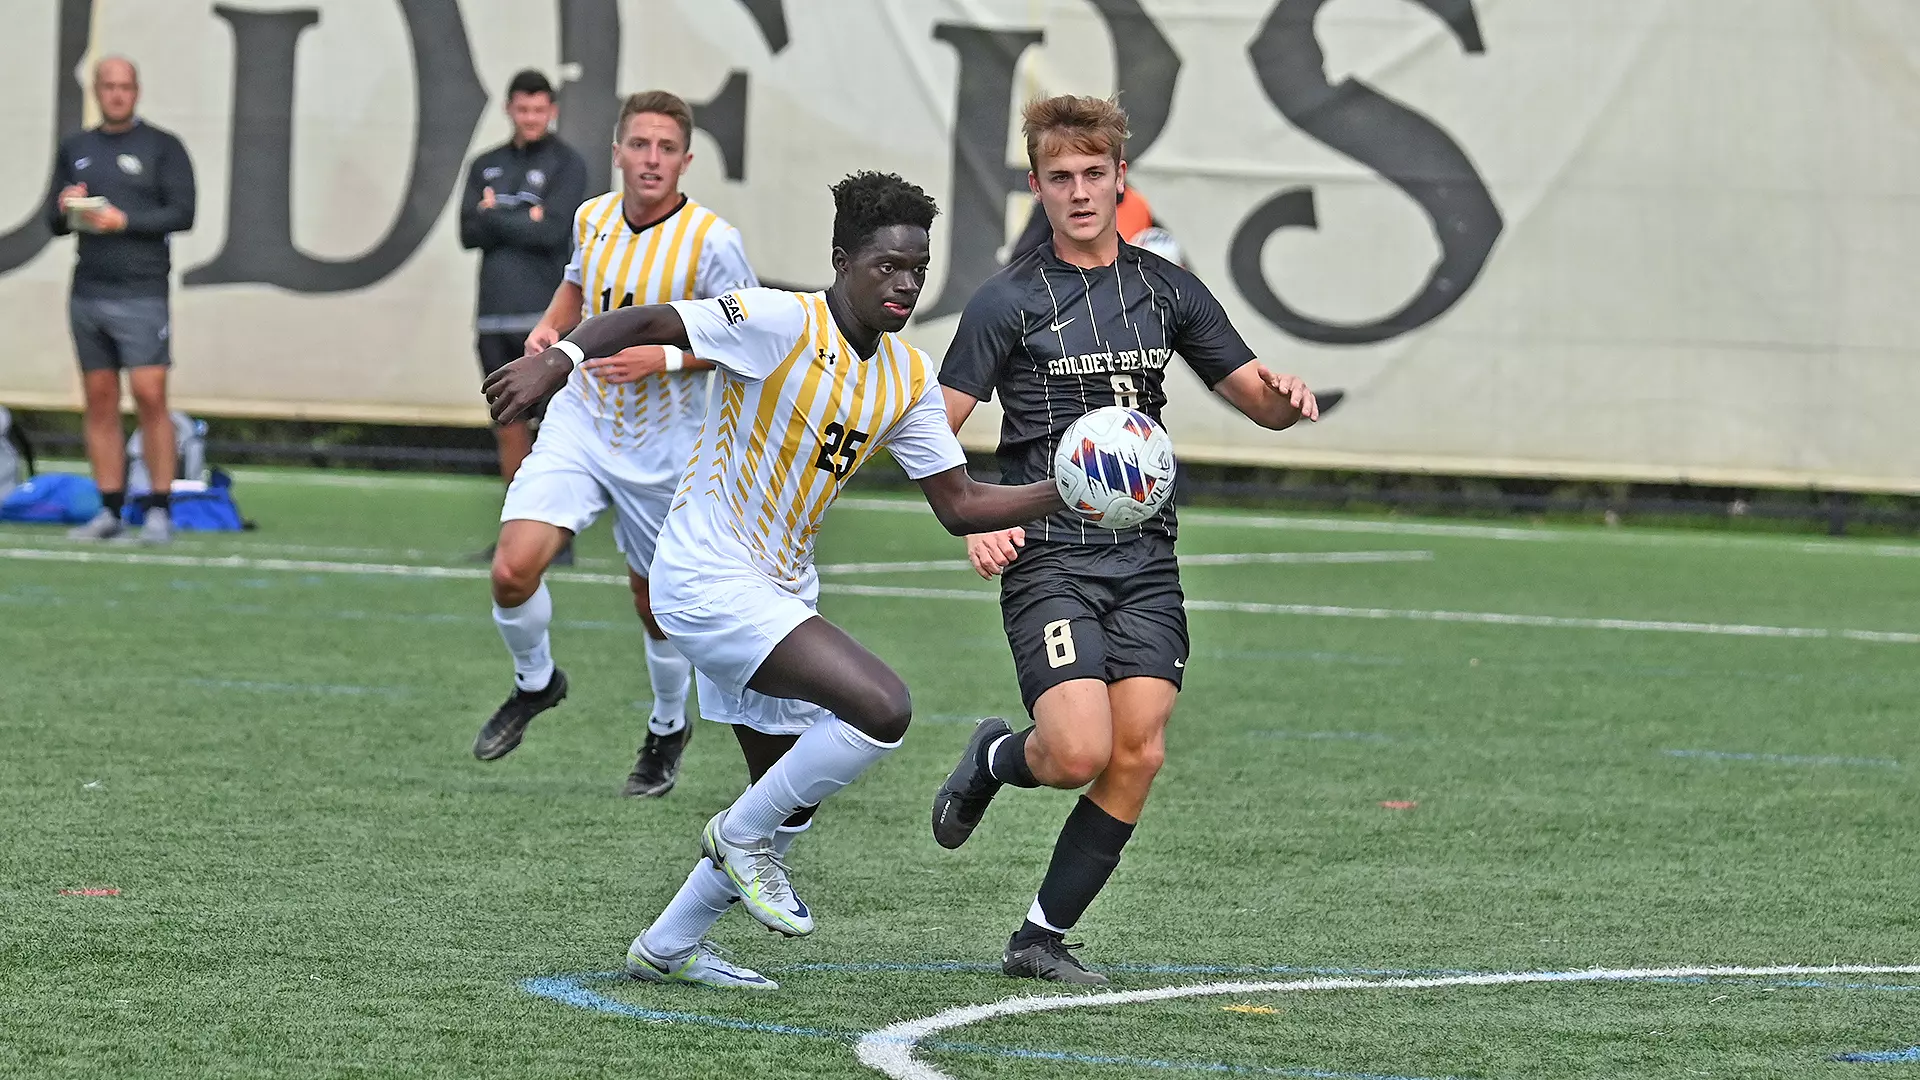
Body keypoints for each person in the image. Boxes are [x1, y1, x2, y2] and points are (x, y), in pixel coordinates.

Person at [483, 171, 1069, 990]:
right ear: (841, 259)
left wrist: (1069, 491)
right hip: (704, 575)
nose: (904, 282)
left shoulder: (906, 376)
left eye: (917, 268)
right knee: (882, 707)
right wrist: (565, 360)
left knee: (788, 793)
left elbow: (962, 502)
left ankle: (668, 944)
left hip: (781, 589)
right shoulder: (777, 321)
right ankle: (737, 835)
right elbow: (648, 317)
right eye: (886, 266)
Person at [930, 95, 1321, 985]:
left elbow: (1251, 393)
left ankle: (1039, 937)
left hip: (1144, 557)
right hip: (1049, 555)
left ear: (1119, 179)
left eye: (1093, 175)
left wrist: (1285, 401)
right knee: (1075, 752)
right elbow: (935, 427)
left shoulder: (1164, 287)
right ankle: (997, 756)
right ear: (1037, 185)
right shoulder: (1007, 301)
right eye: (1059, 178)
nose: (1078, 192)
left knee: (1138, 747)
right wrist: (975, 517)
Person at [472, 90, 756, 801]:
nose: (651, 160)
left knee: (654, 602)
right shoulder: (592, 217)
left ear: (686, 161)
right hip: (584, 421)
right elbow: (575, 290)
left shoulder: (714, 241)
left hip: (668, 443)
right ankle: (536, 683)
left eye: (666, 148)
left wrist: (662, 359)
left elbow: (749, 343)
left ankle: (666, 727)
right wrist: (548, 332)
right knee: (512, 570)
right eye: (640, 145)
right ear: (618, 152)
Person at [44, 56, 195, 545]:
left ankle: (159, 506)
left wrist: (124, 221)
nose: (116, 95)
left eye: (124, 86)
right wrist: (69, 207)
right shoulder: (77, 147)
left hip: (142, 290)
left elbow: (183, 213)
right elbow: (52, 220)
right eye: (108, 86)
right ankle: (109, 508)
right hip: (89, 289)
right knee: (100, 400)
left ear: (137, 91)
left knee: (151, 396)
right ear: (96, 91)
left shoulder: (162, 147)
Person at [458, 69, 587, 551]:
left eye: (539, 109)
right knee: (507, 424)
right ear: (510, 109)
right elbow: (468, 232)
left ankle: (557, 537)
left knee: (554, 427)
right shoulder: (484, 164)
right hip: (493, 314)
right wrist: (522, 216)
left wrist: (497, 215)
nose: (530, 117)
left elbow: (555, 232)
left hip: (545, 319)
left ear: (551, 111)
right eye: (522, 109)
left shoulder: (567, 164)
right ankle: (519, 533)